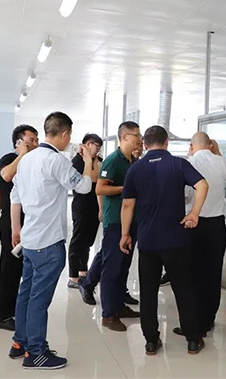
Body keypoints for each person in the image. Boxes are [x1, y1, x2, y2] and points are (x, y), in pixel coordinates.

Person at [8, 112, 98, 370]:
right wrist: (88, 161)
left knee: (26, 293)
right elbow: (84, 187)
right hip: (48, 243)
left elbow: (15, 195)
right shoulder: (56, 160)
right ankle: (36, 353)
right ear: (65, 134)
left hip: (30, 240)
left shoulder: (26, 159)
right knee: (39, 299)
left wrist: (16, 228)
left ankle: (19, 343)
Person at [120, 125, 209, 356]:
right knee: (184, 289)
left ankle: (151, 341)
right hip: (176, 240)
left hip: (148, 241)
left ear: (145, 144)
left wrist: (125, 234)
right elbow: (202, 185)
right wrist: (194, 214)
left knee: (148, 292)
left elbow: (128, 205)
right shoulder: (179, 164)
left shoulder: (136, 168)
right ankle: (193, 339)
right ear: (167, 142)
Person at [80, 122, 142, 331]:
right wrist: (126, 189)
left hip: (131, 220)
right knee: (111, 266)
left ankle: (118, 305)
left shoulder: (132, 160)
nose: (139, 139)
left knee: (123, 266)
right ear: (124, 137)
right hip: (115, 221)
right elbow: (100, 189)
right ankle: (108, 314)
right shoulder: (113, 160)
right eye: (136, 135)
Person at [172, 133, 226, 338]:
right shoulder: (220, 162)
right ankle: (208, 320)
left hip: (194, 224)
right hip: (217, 226)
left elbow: (184, 195)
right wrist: (218, 153)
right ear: (210, 144)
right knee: (213, 273)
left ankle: (193, 323)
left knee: (192, 275)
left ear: (191, 146)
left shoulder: (188, 163)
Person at [0, 124, 39, 331]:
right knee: (9, 268)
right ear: (19, 142)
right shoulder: (9, 158)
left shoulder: (33, 161)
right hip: (11, 223)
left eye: (36, 140)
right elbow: (6, 176)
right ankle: (3, 315)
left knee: (23, 268)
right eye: (31, 140)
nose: (35, 144)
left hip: (30, 223)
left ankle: (17, 309)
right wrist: (21, 154)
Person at [67, 133, 104, 288]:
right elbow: (94, 179)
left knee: (88, 241)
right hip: (81, 206)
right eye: (97, 146)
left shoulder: (97, 160)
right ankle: (73, 277)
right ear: (88, 144)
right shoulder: (77, 161)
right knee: (78, 240)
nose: (98, 150)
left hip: (94, 205)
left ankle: (83, 271)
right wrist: (93, 162)